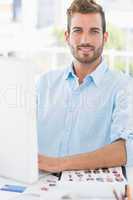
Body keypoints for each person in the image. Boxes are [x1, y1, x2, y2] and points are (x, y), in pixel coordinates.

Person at [37, 0, 133, 172]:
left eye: (94, 31)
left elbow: (126, 149)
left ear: (105, 37)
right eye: (77, 31)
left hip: (92, 191)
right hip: (37, 188)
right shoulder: (44, 83)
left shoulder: (124, 87)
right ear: (67, 37)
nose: (85, 39)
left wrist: (57, 164)